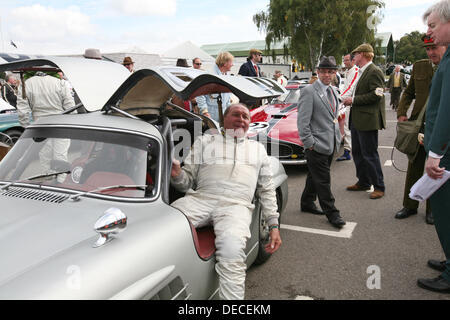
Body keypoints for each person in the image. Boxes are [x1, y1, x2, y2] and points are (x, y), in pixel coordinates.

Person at [170, 103, 282, 300]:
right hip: (201, 199)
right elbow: (185, 183)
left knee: (232, 252)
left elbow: (267, 190)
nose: (241, 119)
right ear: (224, 120)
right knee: (165, 227)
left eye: (245, 117)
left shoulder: (258, 149)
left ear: (249, 123)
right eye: (236, 115)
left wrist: (273, 225)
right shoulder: (205, 141)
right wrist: (177, 174)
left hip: (236, 207)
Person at [395, 35, 447, 224]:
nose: (431, 52)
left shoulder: (447, 66)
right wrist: (402, 112)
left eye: (435, 47)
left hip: (440, 127)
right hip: (419, 123)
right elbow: (409, 93)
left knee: (436, 168)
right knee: (414, 165)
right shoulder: (420, 66)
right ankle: (409, 205)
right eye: (428, 49)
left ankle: (432, 210)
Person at [417, 0, 450, 294]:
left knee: (445, 211)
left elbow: (446, 110)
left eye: (432, 25)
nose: (429, 32)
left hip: (446, 151)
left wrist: (435, 152)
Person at [297, 56, 346, 229]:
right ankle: (332, 213)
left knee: (314, 176)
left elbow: (334, 117)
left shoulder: (333, 90)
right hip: (316, 145)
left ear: (335, 73)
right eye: (323, 71)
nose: (327, 75)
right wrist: (309, 143)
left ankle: (307, 202)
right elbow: (302, 122)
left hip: (330, 142)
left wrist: (338, 138)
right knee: (323, 180)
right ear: (318, 72)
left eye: (330, 72)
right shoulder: (309, 91)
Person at [343, 43, 386, 200]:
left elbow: (377, 94)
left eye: (356, 53)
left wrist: (353, 100)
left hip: (368, 120)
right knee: (358, 153)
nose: (354, 56)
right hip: (357, 119)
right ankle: (363, 182)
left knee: (370, 154)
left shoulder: (374, 71)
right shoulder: (361, 71)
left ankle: (379, 186)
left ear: (364, 55)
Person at [16, 72, 75, 183]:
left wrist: (27, 126)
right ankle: (60, 180)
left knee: (44, 153)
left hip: (40, 124)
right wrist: (72, 123)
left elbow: (22, 111)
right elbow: (70, 106)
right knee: (60, 153)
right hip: (60, 123)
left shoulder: (27, 84)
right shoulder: (60, 83)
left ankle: (48, 178)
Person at [195, 52, 233, 122]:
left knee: (226, 132)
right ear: (225, 63)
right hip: (210, 114)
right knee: (205, 132)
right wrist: (205, 111)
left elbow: (227, 96)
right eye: (231, 62)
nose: (232, 65)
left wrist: (229, 111)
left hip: (223, 113)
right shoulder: (209, 75)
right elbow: (199, 94)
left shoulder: (227, 75)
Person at [336, 53, 360, 161]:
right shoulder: (347, 72)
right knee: (344, 127)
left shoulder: (355, 71)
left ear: (353, 60)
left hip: (349, 103)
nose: (345, 62)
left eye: (346, 60)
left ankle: (347, 151)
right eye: (344, 60)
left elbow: (350, 88)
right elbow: (345, 87)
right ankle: (347, 149)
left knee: (346, 127)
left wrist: (339, 98)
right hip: (345, 102)